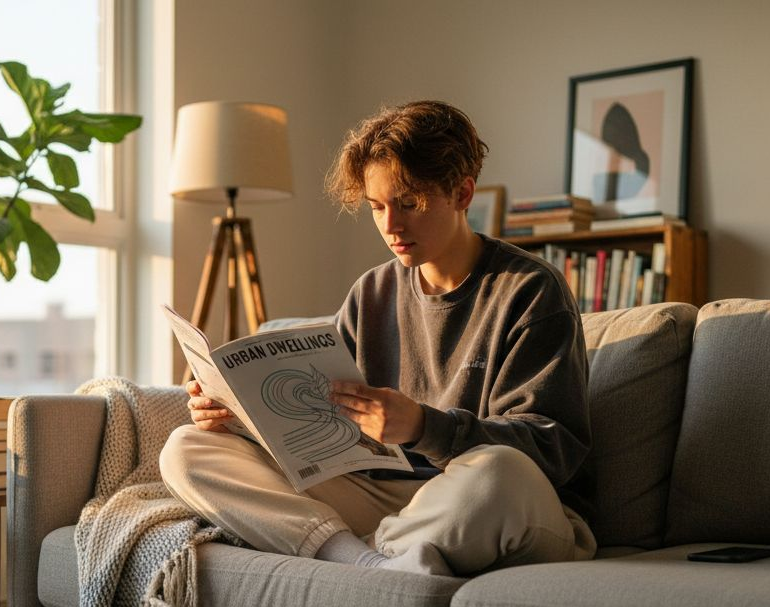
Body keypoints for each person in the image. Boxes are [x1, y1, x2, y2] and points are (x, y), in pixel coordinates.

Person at [160, 100, 596, 577]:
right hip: (379, 496)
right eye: (377, 207)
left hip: (476, 499)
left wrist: (423, 427)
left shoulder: (530, 290)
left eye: (410, 204)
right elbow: (323, 424)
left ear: (462, 193)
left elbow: (552, 450)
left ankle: (359, 550)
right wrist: (238, 416)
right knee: (187, 449)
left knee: (498, 474)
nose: (391, 226)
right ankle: (363, 560)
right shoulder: (371, 292)